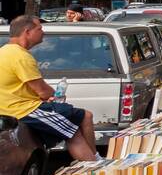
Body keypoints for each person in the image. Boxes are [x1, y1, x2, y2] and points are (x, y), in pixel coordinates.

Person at [0, 15, 100, 162]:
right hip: (24, 110)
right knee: (74, 130)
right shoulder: (20, 56)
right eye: (39, 28)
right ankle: (93, 166)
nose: (43, 32)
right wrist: (55, 96)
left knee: (81, 120)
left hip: (12, 109)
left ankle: (94, 160)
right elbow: (42, 91)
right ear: (27, 32)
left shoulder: (4, 52)